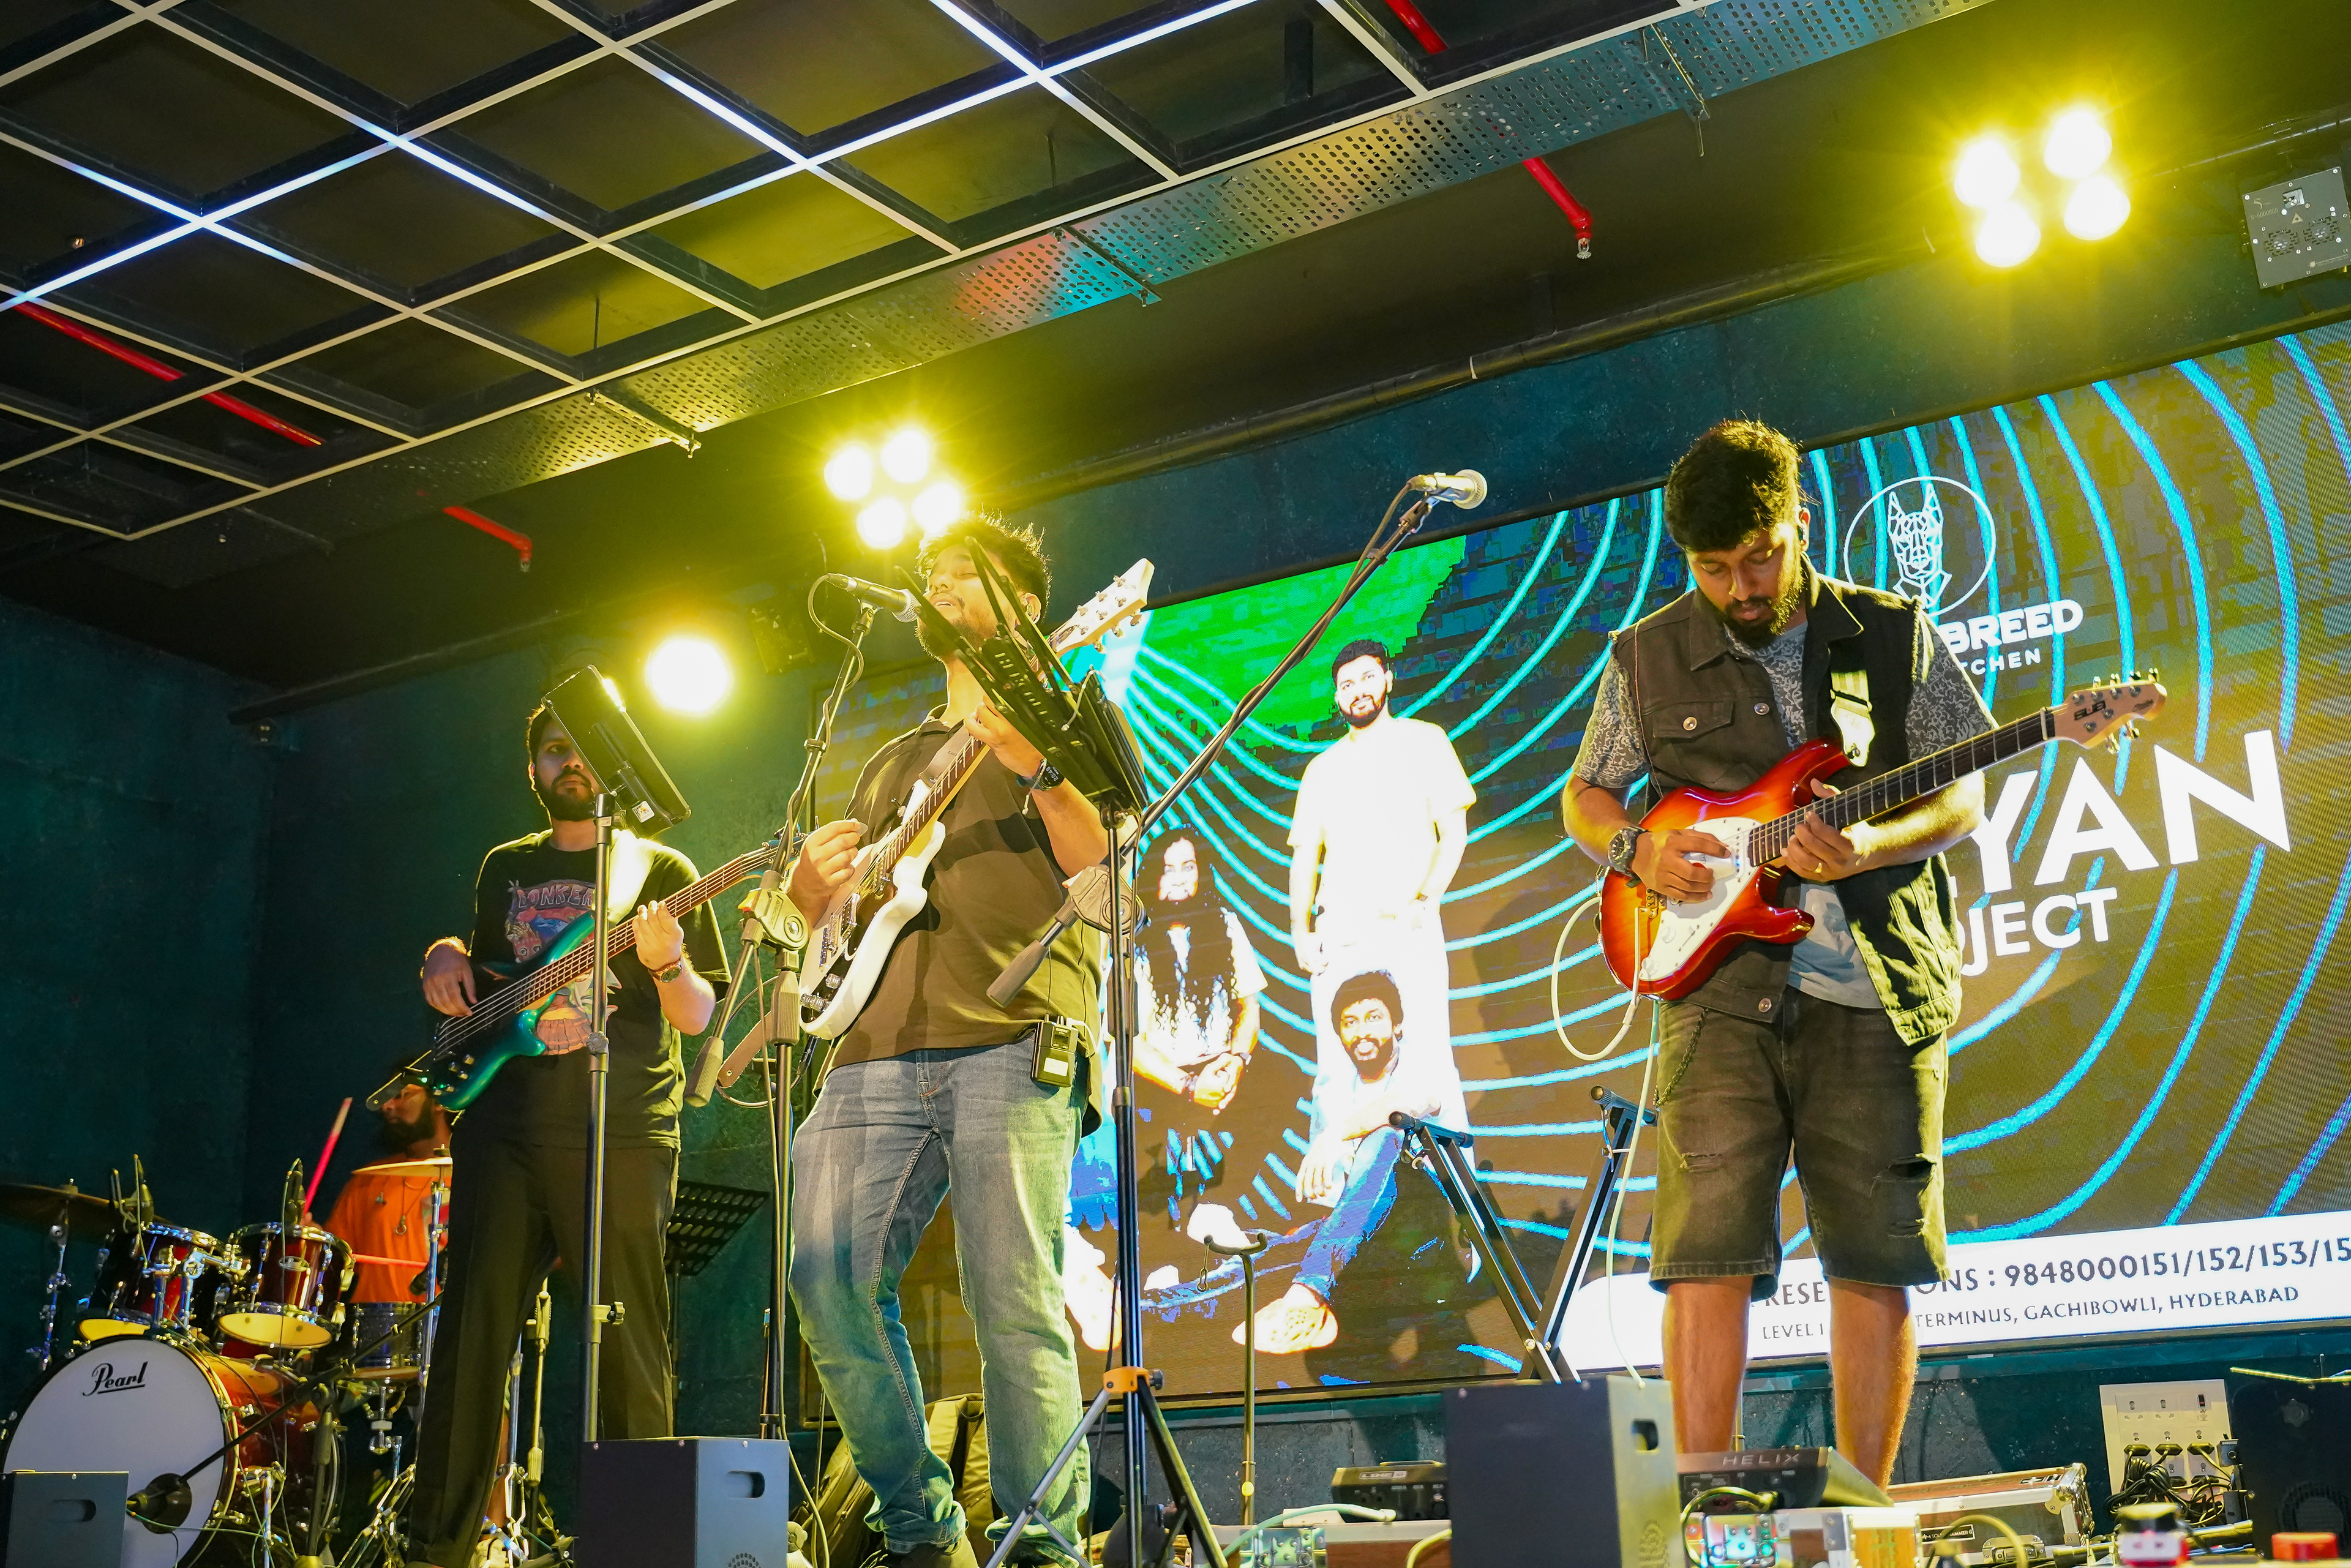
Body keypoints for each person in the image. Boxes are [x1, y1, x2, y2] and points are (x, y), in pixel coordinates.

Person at [1561, 418, 1992, 1488]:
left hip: (1876, 986)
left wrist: (1869, 846)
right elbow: (1587, 794)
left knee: (1873, 1259)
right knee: (1703, 1260)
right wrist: (1636, 852)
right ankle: (1701, 1516)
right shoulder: (1645, 655)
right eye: (1714, 568)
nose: (1740, 587)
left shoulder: (1892, 631)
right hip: (1715, 993)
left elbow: (1963, 794)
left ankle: (1864, 1515)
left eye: (1759, 558)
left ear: (1800, 521)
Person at [786, 518, 1108, 1568]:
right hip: (869, 1050)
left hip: (1012, 1033)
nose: (940, 584)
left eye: (965, 572)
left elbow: (1107, 868)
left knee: (1013, 1299)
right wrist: (812, 898)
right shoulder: (895, 756)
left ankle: (1040, 1545)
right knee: (825, 1276)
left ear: (1026, 607)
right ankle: (922, 1531)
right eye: (933, 573)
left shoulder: (1073, 714)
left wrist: (1035, 764)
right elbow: (849, 914)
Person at [405, 706, 729, 1568]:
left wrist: (665, 962)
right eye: (554, 751)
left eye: (583, 749)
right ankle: (433, 1549)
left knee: (629, 1346)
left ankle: (645, 1551)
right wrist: (444, 950)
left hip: (620, 1130)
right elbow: (490, 980)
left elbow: (698, 1013)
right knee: (471, 1340)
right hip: (504, 1129)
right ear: (533, 772)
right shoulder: (505, 865)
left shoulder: (660, 867)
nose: (571, 762)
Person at [1244, 969, 1463, 1353]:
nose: (1362, 1031)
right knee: (1272, 1250)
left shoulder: (1427, 1064)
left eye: (1374, 1018)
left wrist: (1335, 1135)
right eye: (1350, 1022)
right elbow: (1336, 1198)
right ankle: (1163, 1305)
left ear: (1397, 1025)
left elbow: (1402, 1108)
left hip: (1436, 1226)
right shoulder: (1332, 1094)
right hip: (1371, 1236)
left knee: (1386, 1134)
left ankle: (1308, 1293)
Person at [322, 1073, 452, 1310]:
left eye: (400, 1095)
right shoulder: (367, 1180)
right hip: (370, 1325)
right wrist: (312, 1243)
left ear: (439, 1101)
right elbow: (335, 1262)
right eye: (384, 1099)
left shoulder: (475, 1180)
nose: (387, 1106)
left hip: (442, 1324)